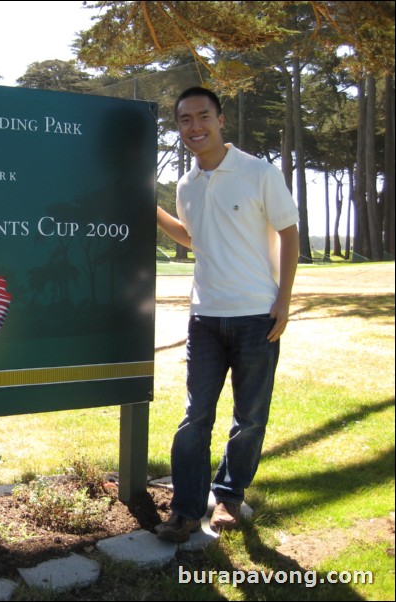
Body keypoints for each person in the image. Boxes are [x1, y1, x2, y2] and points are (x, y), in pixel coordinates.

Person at [155, 86, 300, 543]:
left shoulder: (259, 173)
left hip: (258, 315)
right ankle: (184, 509)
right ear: (178, 128)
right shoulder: (186, 185)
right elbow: (196, 238)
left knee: (250, 416)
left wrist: (284, 299)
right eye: (184, 120)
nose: (194, 127)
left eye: (202, 117)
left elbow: (290, 235)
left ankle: (229, 498)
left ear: (220, 121)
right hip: (205, 317)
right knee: (196, 415)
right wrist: (152, 209)